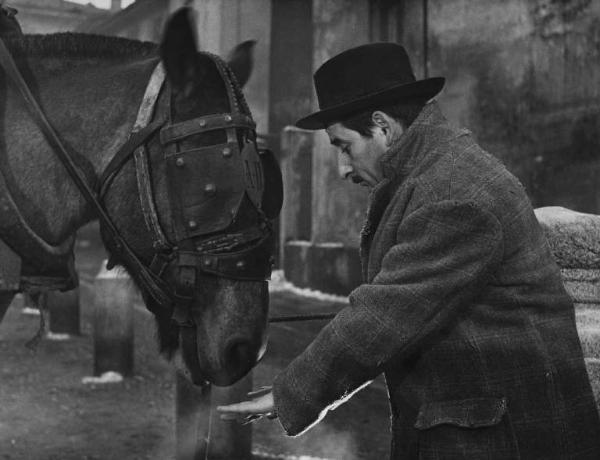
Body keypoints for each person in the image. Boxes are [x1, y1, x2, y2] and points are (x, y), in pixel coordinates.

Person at [217, 43, 600, 459]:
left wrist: (291, 393)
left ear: (381, 126)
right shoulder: (431, 175)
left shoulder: (455, 191)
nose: (343, 169)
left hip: (511, 440)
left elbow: (388, 312)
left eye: (344, 146)